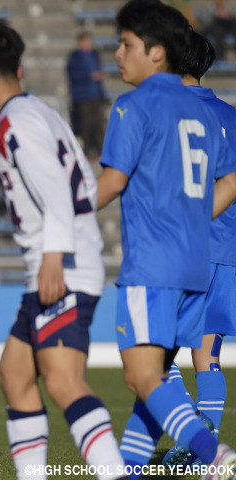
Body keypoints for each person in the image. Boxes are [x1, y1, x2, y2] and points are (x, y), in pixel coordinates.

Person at [0, 20, 129, 480]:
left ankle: (115, 473)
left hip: (62, 268)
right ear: (18, 66)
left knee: (64, 381)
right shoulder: (41, 111)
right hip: (61, 262)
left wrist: (55, 255)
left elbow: (56, 190)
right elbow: (84, 185)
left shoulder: (16, 122)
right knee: (15, 376)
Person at [96, 1, 236, 478]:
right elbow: (231, 182)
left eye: (126, 44)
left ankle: (208, 450)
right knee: (158, 375)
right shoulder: (205, 111)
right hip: (198, 261)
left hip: (153, 264)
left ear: (158, 53)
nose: (117, 54)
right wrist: (193, 220)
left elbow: (112, 182)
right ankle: (130, 470)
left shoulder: (134, 105)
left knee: (143, 375)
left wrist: (65, 214)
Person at [162, 31, 236, 468]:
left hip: (187, 246)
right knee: (206, 356)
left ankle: (196, 439)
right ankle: (203, 449)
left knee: (152, 352)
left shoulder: (171, 113)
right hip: (228, 248)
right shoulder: (230, 114)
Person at [66, 31, 107, 162]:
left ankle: (100, 152)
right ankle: (87, 153)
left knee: (99, 124)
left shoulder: (95, 54)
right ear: (81, 42)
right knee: (85, 126)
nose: (90, 44)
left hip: (96, 95)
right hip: (82, 97)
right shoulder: (74, 57)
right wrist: (90, 76)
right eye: (88, 41)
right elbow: (73, 75)